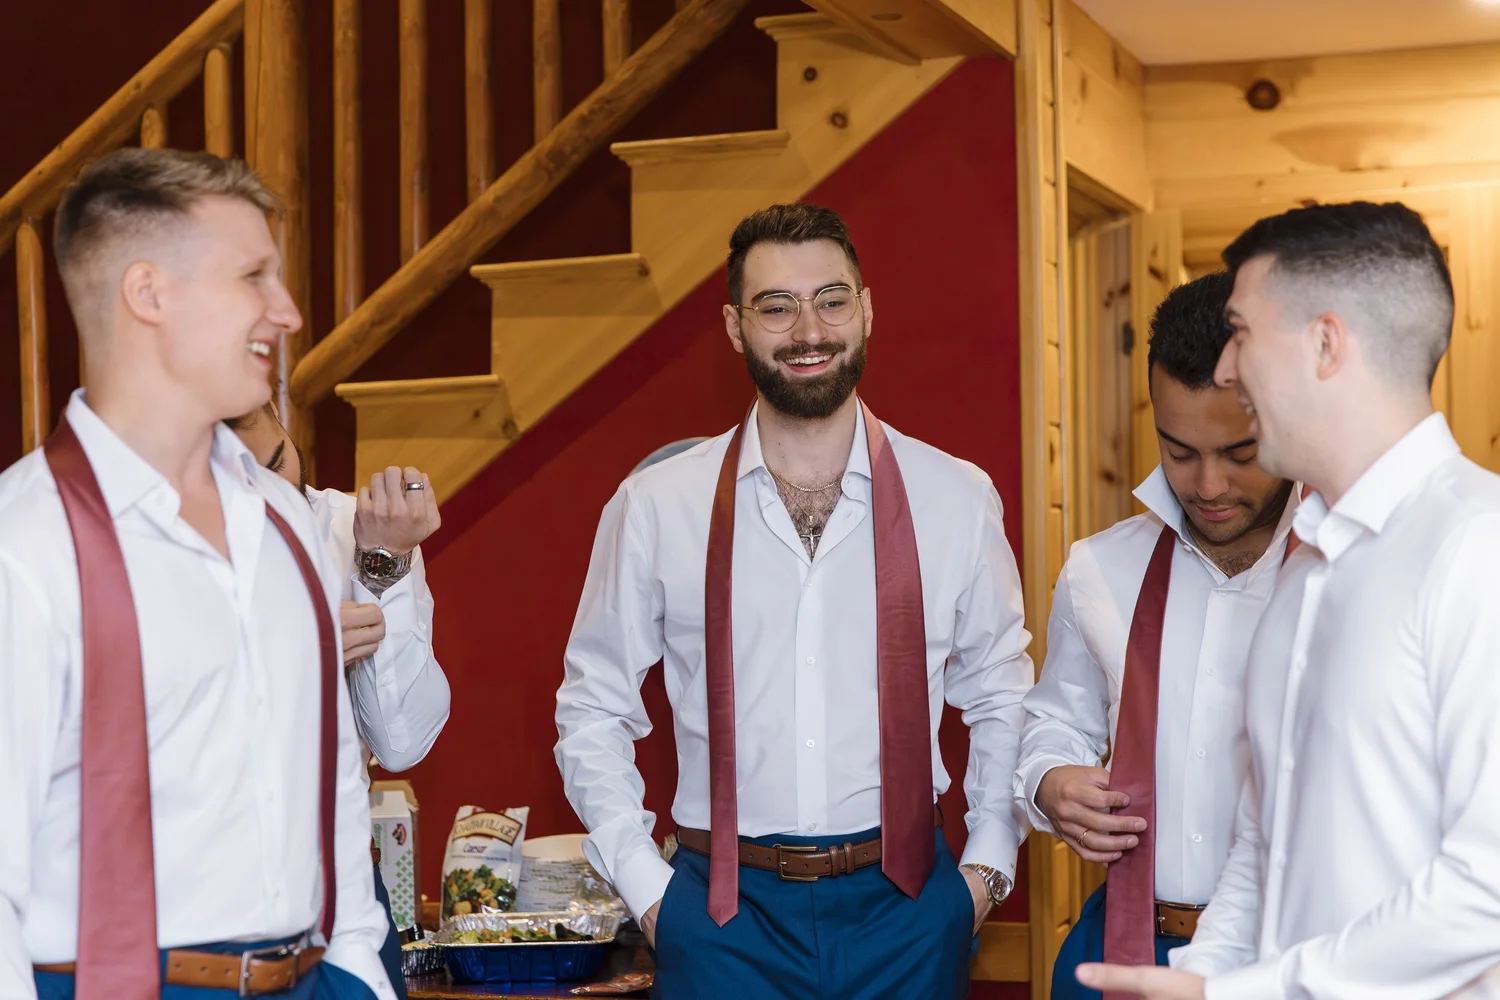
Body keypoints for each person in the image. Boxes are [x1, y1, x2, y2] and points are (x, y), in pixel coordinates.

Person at [554, 203, 1035, 1000]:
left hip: (911, 910)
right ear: (736, 327)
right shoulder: (655, 505)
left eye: (831, 299)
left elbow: (1003, 691)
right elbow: (592, 707)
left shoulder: (955, 496)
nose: (809, 329)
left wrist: (985, 869)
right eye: (776, 306)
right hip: (720, 918)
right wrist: (647, 890)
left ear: (867, 309)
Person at [1079, 202, 1500, 1000]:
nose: (1228, 371)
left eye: (1241, 332)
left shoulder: (1479, 549)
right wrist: (1202, 974)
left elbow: (1488, 887)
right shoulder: (1306, 570)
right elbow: (1260, 839)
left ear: (1325, 343)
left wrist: (1247, 991)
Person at [0, 148, 394, 999]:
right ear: (149, 293)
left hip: (317, 978)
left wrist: (361, 969)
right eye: (254, 276)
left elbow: (331, 784)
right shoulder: (22, 547)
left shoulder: (287, 522)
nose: (286, 312)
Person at [1015, 273, 1299, 1000]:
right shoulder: (1099, 570)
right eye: (1178, 451)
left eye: (1239, 453)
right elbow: (1054, 721)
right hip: (1123, 951)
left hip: (1295, 963)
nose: (1207, 485)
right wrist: (1051, 781)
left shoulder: (1352, 570)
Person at [230, 404, 449, 1000]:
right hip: (215, 885)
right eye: (251, 478)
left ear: (280, 416)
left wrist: (384, 568)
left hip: (344, 870)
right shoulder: (175, 551)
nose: (277, 491)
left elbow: (401, 745)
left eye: (279, 459)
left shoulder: (357, 526)